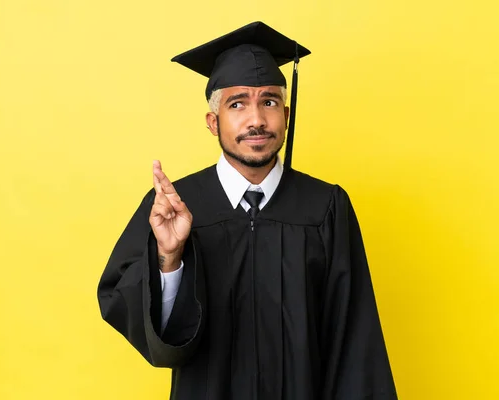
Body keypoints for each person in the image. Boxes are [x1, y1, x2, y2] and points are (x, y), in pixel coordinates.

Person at [97, 21, 397, 400]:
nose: (256, 119)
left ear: (286, 115)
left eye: (269, 101)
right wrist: (169, 258)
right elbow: (139, 319)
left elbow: (355, 340)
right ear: (212, 122)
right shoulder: (174, 207)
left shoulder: (325, 207)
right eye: (237, 103)